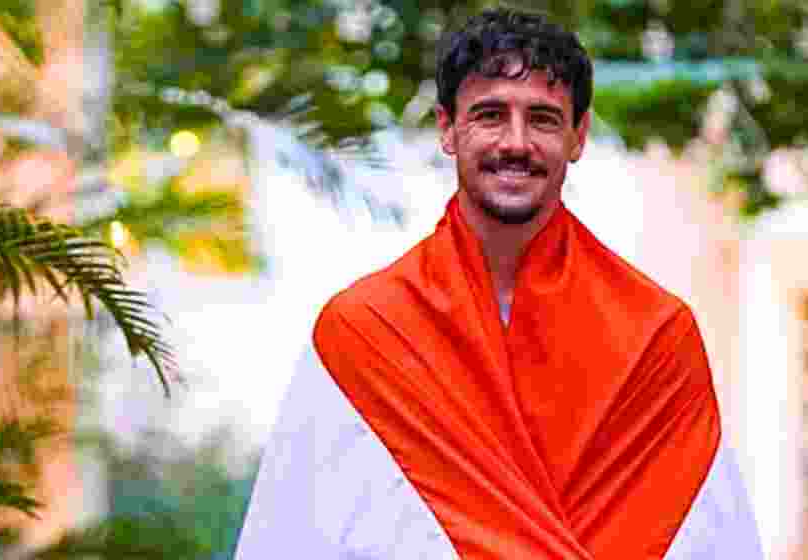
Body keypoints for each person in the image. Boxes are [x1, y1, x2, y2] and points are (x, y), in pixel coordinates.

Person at [234, 7, 764, 559]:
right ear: (447, 128)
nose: (516, 142)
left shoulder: (656, 335)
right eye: (490, 115)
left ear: (578, 136)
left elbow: (708, 541)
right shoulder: (362, 335)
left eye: (542, 118)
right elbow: (292, 536)